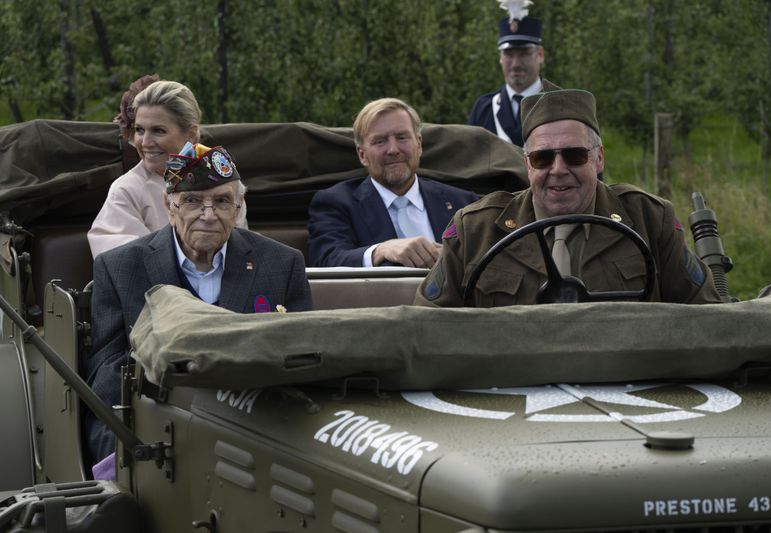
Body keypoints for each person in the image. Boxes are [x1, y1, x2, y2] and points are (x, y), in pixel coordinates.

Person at [84, 143, 312, 468]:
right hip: (154, 418)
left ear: (238, 206)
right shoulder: (119, 267)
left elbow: (304, 357)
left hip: (255, 420)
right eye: (192, 201)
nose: (208, 215)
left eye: (221, 201)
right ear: (169, 205)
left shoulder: (282, 263)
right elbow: (106, 373)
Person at [417, 89, 723, 307]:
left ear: (599, 158)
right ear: (527, 164)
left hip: (623, 387)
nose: (558, 170)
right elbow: (425, 323)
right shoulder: (476, 230)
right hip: (510, 390)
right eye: (542, 158)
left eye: (575, 155)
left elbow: (706, 314)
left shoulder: (649, 219)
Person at [308, 98, 479, 268]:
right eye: (380, 141)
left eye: (402, 137)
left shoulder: (463, 204)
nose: (393, 150)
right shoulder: (336, 203)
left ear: (419, 145)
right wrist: (380, 251)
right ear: (362, 155)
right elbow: (327, 259)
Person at [88, 80, 248, 258]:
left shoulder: (225, 183)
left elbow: (240, 252)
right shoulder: (127, 190)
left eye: (158, 131)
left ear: (190, 134)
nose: (145, 142)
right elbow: (120, 262)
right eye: (140, 130)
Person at [468, 15, 559, 147]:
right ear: (500, 58)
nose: (516, 64)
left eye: (524, 54)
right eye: (508, 54)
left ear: (540, 55)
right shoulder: (484, 109)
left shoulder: (560, 105)